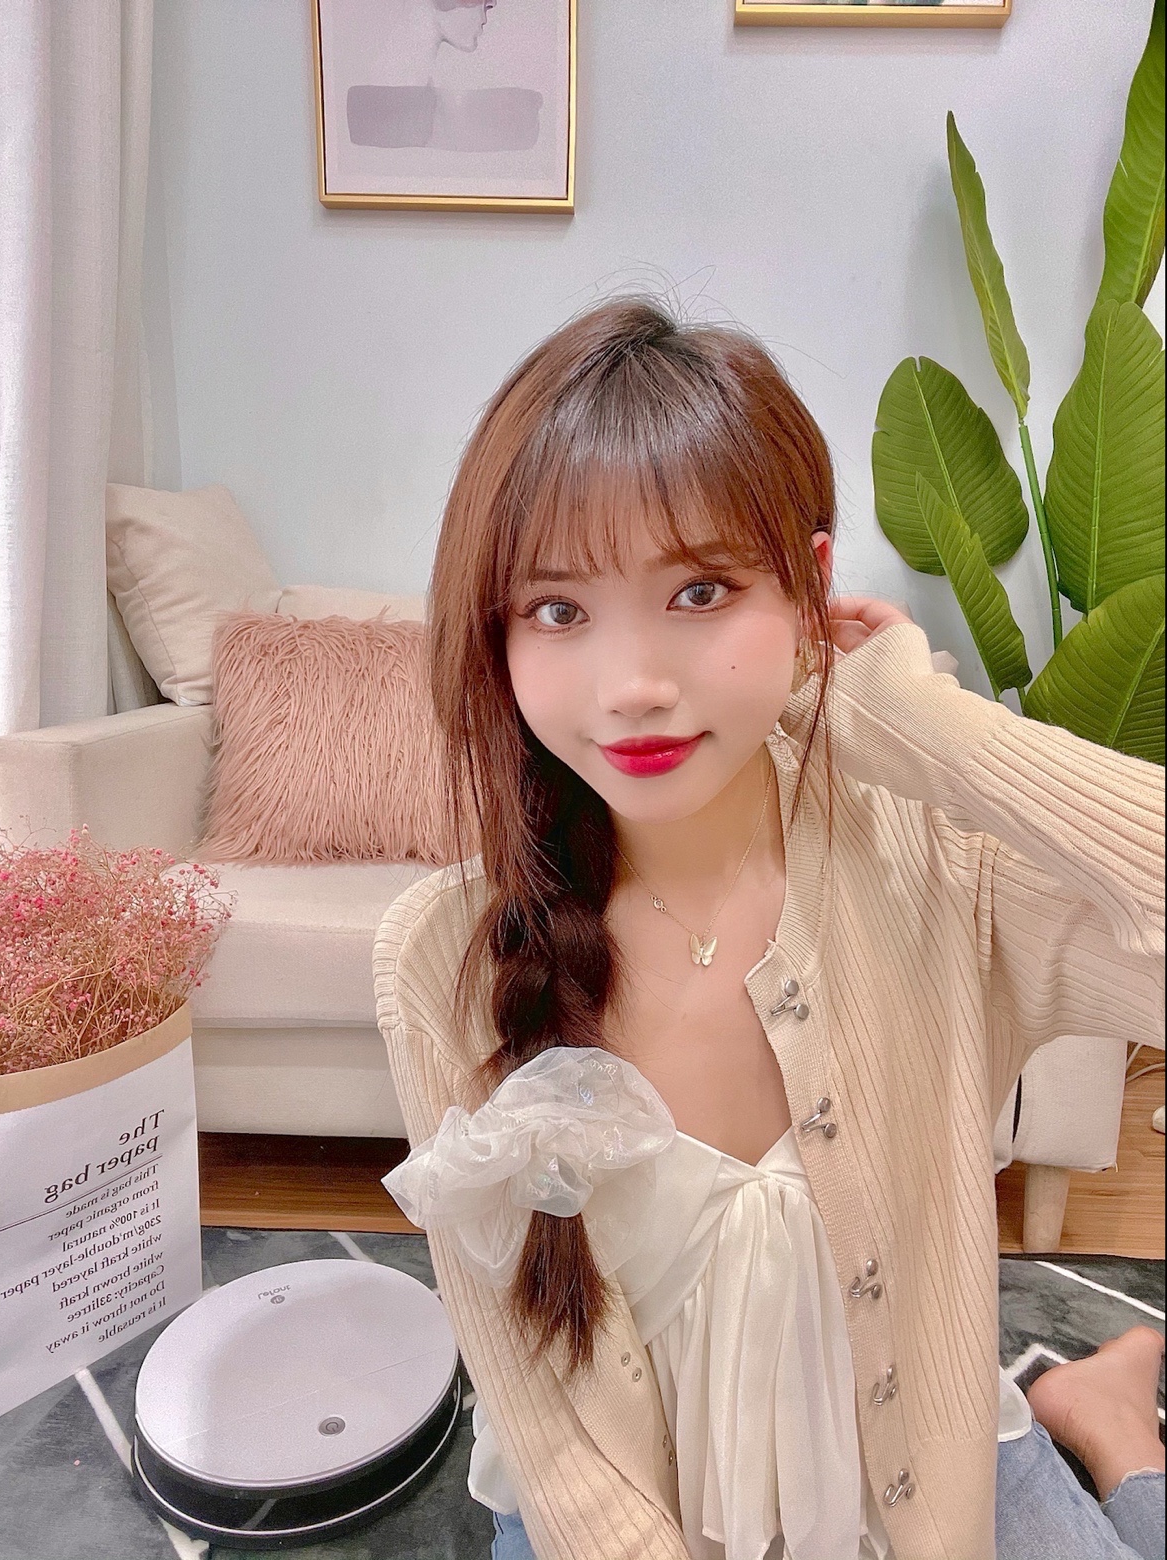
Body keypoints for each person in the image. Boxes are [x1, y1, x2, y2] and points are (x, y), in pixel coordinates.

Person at [374, 295, 1165, 1560]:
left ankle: (1111, 1425)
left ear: (807, 591)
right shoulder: (442, 959)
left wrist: (930, 729)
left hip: (921, 1482)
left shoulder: (934, 867)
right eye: (559, 611)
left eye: (700, 590)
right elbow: (544, 1411)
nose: (633, 685)